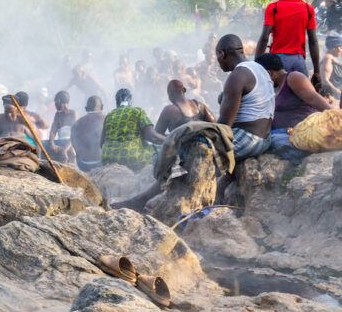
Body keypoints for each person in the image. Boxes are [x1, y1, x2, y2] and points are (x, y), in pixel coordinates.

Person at [112, 35, 275, 212]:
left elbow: (223, 129)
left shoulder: (236, 77)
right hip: (265, 138)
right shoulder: (258, 68)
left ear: (221, 54)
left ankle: (153, 197)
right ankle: (183, 193)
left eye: (218, 58)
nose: (219, 65)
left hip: (248, 140)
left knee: (190, 148)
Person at [256, 52, 331, 163]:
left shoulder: (293, 78)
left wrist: (336, 117)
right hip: (284, 133)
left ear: (269, 73)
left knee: (267, 142)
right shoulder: (275, 87)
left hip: (301, 133)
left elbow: (314, 99)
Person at [255, 0, 320, 85]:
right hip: (299, 61)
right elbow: (313, 40)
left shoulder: (273, 8)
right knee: (302, 98)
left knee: (277, 97)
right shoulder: (308, 8)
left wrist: (256, 65)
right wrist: (317, 71)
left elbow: (264, 38)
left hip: (278, 62)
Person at [101, 88, 164, 171]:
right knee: (160, 151)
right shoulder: (137, 111)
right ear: (130, 100)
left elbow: (101, 143)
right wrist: (168, 139)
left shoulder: (109, 115)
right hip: (132, 157)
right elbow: (151, 137)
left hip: (107, 158)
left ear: (116, 102)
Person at [71, 96, 104, 172]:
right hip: (100, 163)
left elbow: (73, 143)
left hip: (83, 164)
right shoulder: (106, 119)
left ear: (86, 108)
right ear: (102, 107)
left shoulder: (77, 123)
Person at [47, 91, 77, 163]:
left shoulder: (73, 114)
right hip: (60, 143)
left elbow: (75, 135)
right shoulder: (58, 115)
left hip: (71, 143)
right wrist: (52, 143)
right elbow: (53, 131)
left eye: (55, 101)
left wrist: (65, 149)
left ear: (59, 101)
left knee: (72, 151)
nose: (54, 104)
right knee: (41, 145)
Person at [320, 34, 342, 100]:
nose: (341, 50)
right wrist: (337, 92)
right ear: (334, 48)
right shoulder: (328, 60)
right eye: (341, 47)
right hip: (333, 96)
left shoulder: (331, 58)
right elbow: (325, 80)